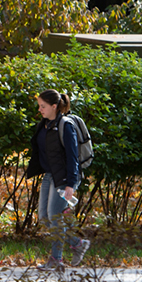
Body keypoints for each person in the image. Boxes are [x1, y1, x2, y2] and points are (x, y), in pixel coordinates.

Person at [26, 89, 91, 270]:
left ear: (54, 106)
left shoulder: (65, 125)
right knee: (44, 217)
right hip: (50, 175)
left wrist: (71, 184)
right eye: (39, 106)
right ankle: (78, 244)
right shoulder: (44, 125)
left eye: (43, 106)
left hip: (64, 177)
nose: (40, 109)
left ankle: (56, 260)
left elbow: (72, 157)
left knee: (54, 217)